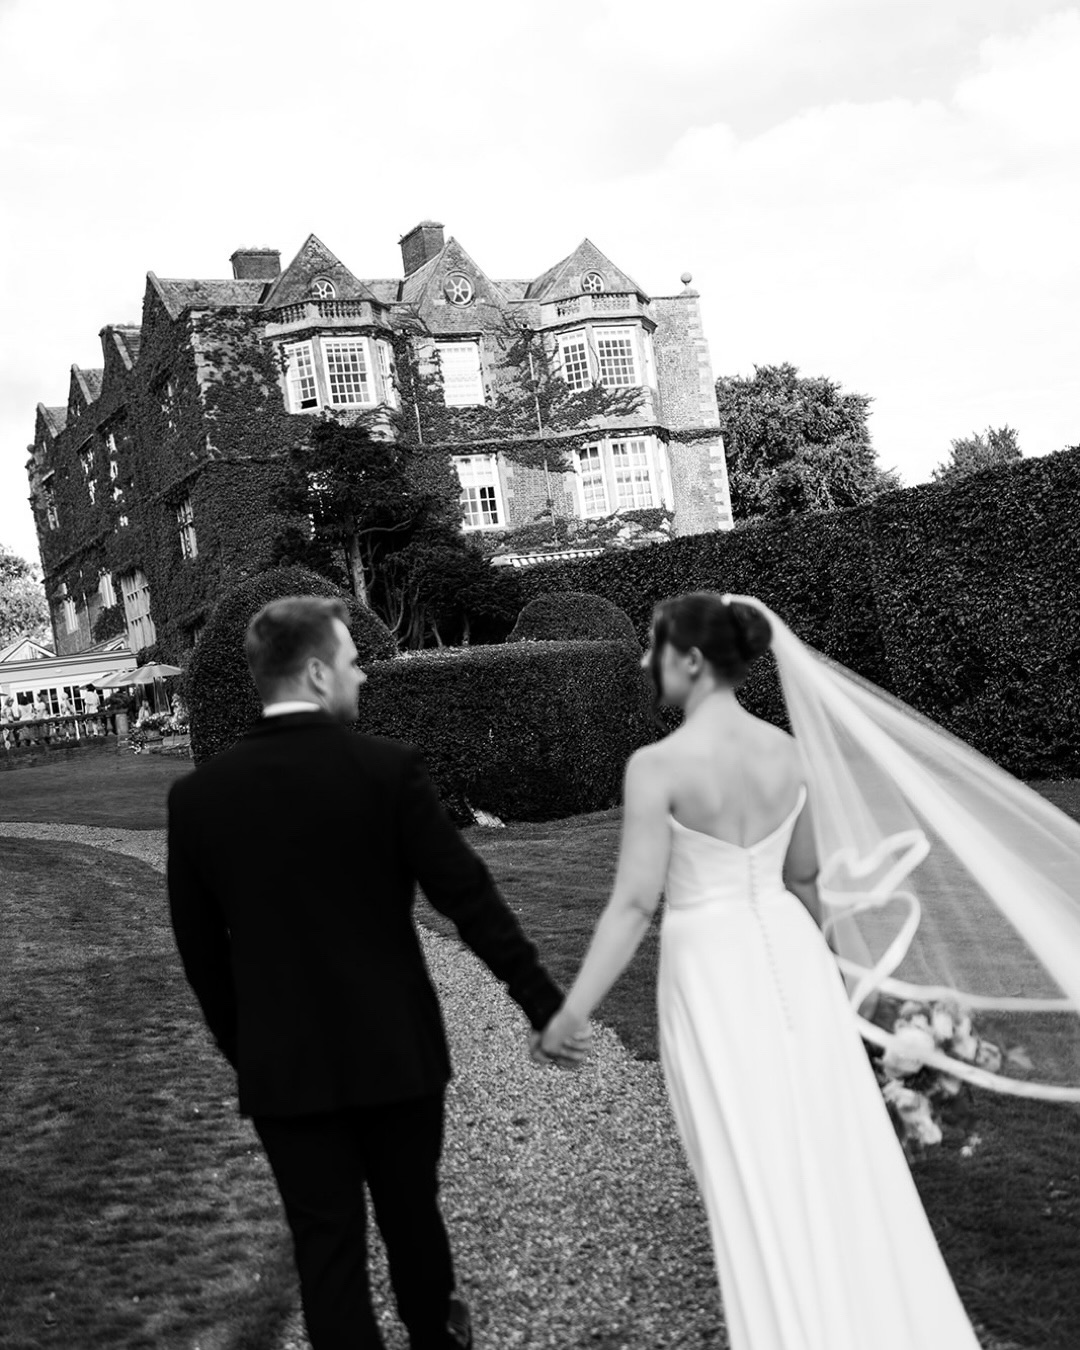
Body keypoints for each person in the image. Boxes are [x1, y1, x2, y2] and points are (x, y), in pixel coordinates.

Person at [539, 591, 984, 1350]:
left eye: (654, 648)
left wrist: (572, 1011)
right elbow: (805, 882)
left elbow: (633, 903)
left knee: (747, 1166)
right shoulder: (788, 753)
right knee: (831, 1148)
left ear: (690, 659)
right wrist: (837, 986)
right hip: (794, 958)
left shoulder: (657, 765)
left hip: (711, 971)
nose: (646, 663)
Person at [166, 595, 582, 1350]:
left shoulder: (199, 799)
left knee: (326, 1250)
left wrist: (249, 1048)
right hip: (395, 1051)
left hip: (284, 1067)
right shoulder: (384, 771)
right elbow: (469, 899)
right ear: (320, 673)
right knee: (411, 1218)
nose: (363, 678)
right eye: (355, 663)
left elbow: (202, 957)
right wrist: (541, 1002)